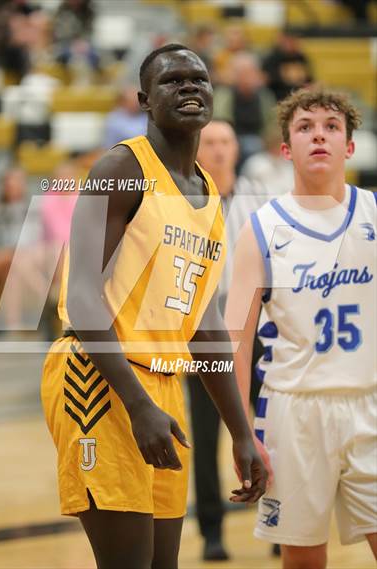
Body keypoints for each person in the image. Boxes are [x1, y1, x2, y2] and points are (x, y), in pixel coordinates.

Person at [41, 44, 268, 569]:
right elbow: (82, 298)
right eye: (172, 80)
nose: (189, 86)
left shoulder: (207, 194)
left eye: (199, 78)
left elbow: (204, 322)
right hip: (101, 378)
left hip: (165, 382)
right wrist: (137, 404)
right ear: (144, 100)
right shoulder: (121, 168)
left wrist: (241, 432)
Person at [226, 87, 376, 569]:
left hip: (370, 404)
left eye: (331, 127)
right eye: (305, 127)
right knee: (303, 559)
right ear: (286, 148)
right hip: (294, 411)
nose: (319, 136)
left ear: (349, 146)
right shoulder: (262, 228)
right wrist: (240, 430)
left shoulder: (374, 214)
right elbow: (236, 341)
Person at [187, 119, 269, 561]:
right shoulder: (184, 199)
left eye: (225, 142)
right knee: (205, 438)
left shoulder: (261, 199)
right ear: (198, 149)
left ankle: (280, 522)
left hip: (259, 335)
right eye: (210, 142)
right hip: (203, 336)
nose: (218, 150)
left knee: (272, 429)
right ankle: (211, 532)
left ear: (236, 148)